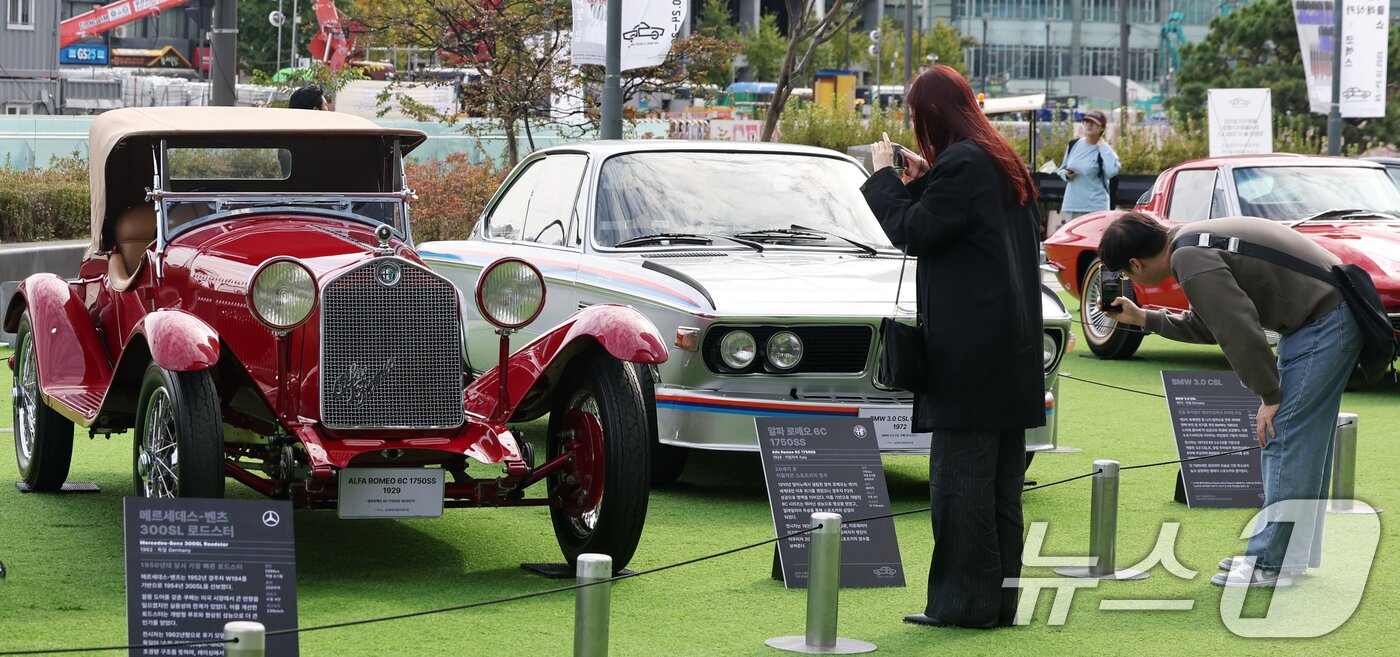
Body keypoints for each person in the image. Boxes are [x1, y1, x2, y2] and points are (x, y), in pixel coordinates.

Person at [862, 65, 1045, 629]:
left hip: (969, 355)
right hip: (1009, 352)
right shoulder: (998, 159)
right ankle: (997, 603)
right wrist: (923, 177)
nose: (914, 127)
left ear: (930, 115)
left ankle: (963, 606)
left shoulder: (964, 163)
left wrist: (883, 177)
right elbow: (952, 222)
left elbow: (915, 232)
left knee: (960, 487)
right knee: (999, 491)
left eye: (917, 117)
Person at [1099, 213, 1361, 588]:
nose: (1134, 281)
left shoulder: (1188, 257)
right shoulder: (1191, 238)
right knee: (1304, 442)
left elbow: (1239, 329)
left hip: (1322, 322)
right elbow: (1211, 324)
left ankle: (1269, 562)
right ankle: (1289, 557)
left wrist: (1270, 395)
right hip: (1326, 317)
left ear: (1136, 264)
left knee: (1282, 434)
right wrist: (1144, 318)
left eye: (1129, 274)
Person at [1055, 109, 1120, 221]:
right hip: (1073, 205)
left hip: (1096, 208)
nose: (1089, 124)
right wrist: (1066, 174)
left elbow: (1112, 171)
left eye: (1094, 122)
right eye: (1087, 121)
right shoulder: (1073, 144)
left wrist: (1103, 147)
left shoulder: (1106, 150)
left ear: (1102, 128)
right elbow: (1061, 169)